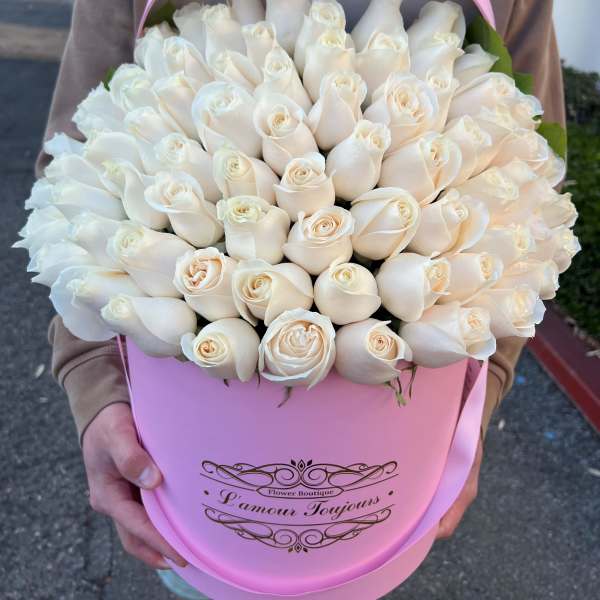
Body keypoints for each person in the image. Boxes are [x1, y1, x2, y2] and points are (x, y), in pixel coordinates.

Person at [37, 0, 565, 597]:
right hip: (191, 459)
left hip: (394, 467)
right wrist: (94, 391)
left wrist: (477, 401)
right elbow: (75, 168)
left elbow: (531, 187)